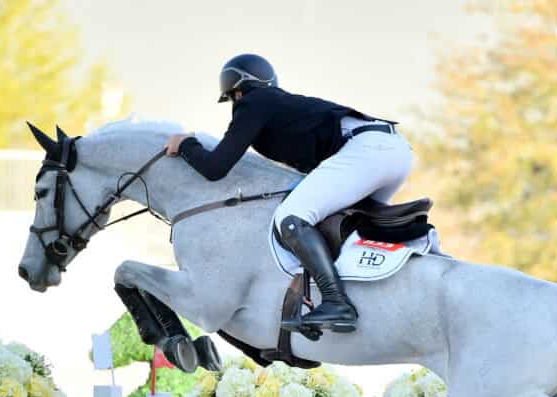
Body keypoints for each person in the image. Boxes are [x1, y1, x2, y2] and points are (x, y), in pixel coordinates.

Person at [166, 53, 414, 335]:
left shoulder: (253, 102)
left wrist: (187, 145)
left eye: (233, 99)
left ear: (236, 91)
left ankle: (336, 302)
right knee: (336, 230)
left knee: (291, 218)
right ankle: (331, 301)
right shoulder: (280, 105)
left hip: (366, 151)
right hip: (393, 151)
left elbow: (215, 167)